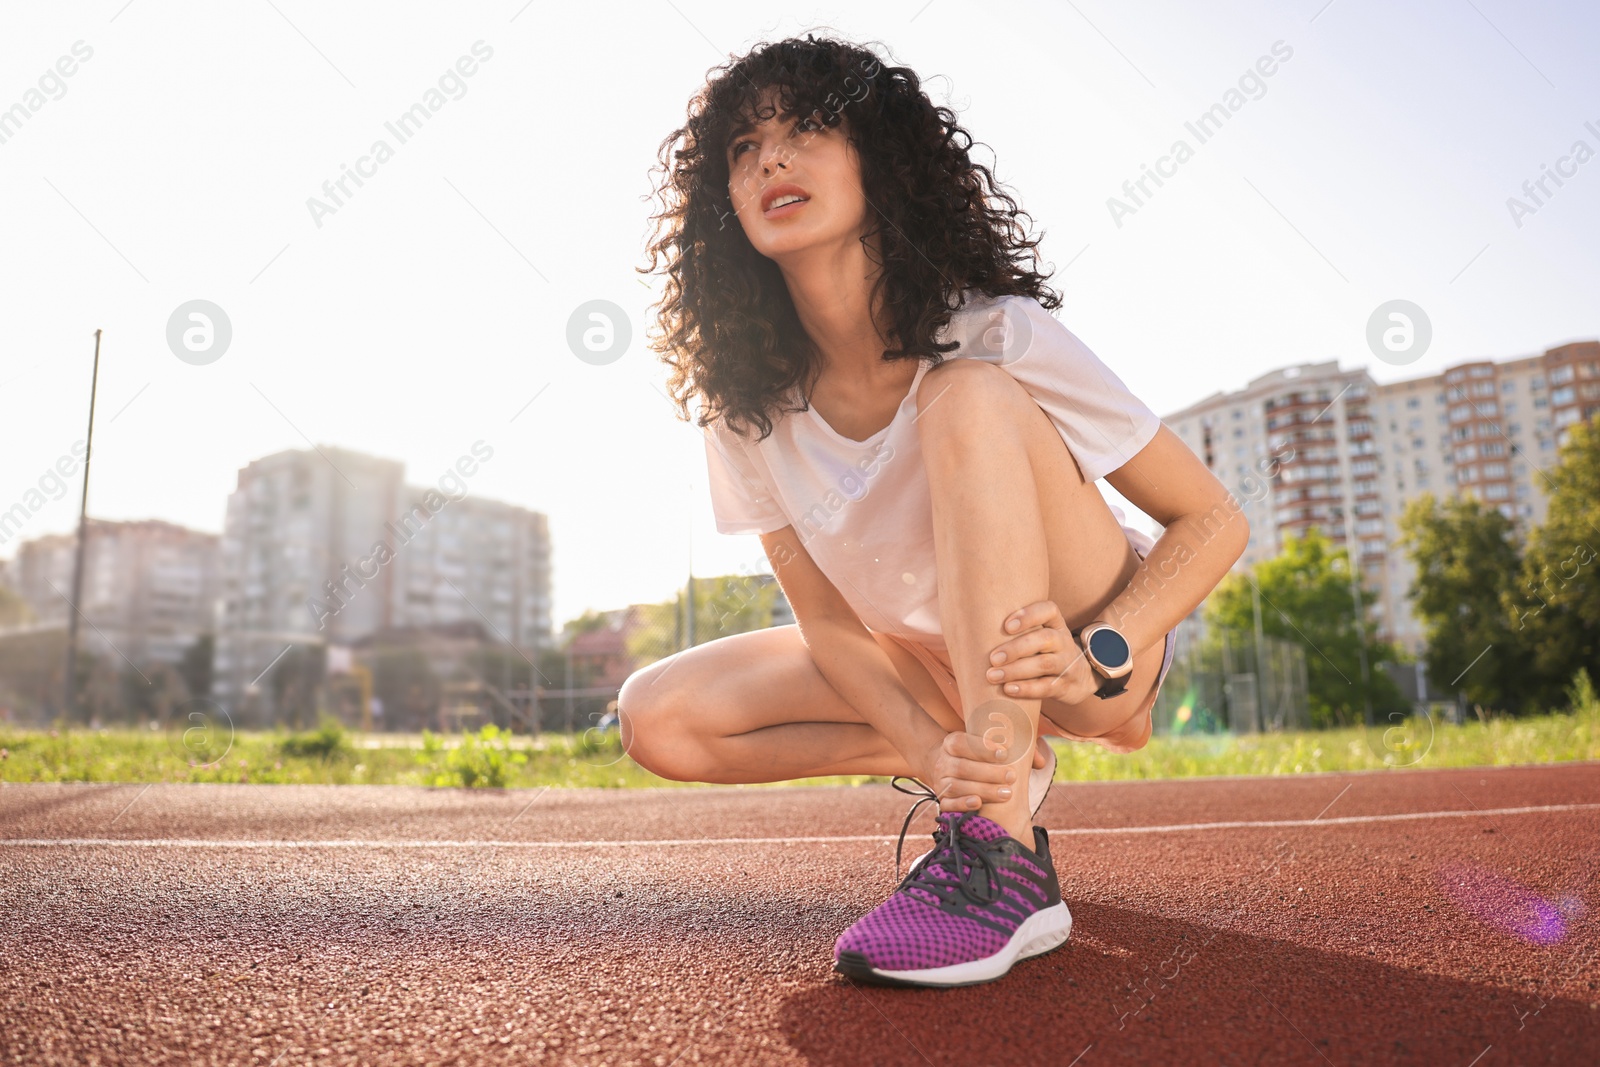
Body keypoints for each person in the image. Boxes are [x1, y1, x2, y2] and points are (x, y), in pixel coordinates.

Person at [623, 33, 1248, 987]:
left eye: (808, 130)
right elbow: (829, 626)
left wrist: (1108, 645)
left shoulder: (994, 329)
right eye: (744, 149)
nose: (771, 160)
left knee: (967, 393)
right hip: (935, 663)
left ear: (882, 162)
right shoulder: (744, 407)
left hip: (1082, 635)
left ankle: (999, 862)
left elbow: (1212, 519)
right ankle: (997, 780)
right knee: (659, 718)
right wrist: (932, 751)